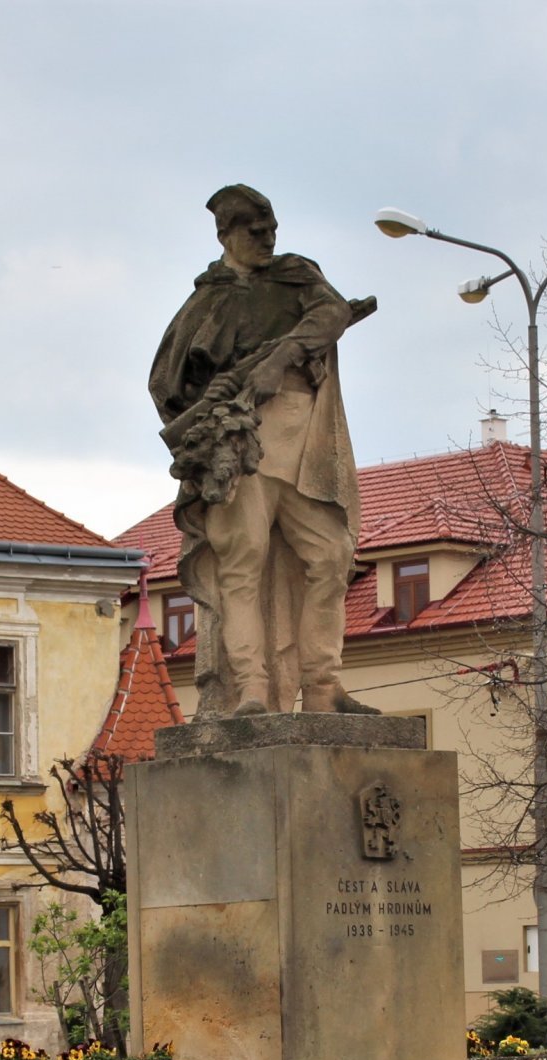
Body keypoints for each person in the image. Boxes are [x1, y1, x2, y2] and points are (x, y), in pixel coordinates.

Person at [150, 184, 376, 717]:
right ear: (226, 234)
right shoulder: (208, 299)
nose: (267, 238)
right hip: (240, 441)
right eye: (255, 230)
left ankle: (323, 687)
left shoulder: (296, 275)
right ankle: (250, 688)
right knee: (242, 565)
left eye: (272, 228)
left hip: (304, 437)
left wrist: (281, 358)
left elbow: (332, 314)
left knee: (332, 554)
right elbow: (166, 381)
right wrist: (212, 409)